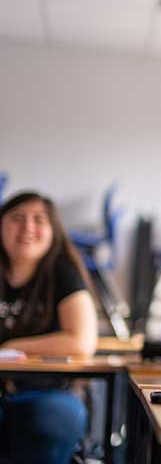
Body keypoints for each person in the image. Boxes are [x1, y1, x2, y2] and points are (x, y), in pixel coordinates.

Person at [0, 191, 98, 463]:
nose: (27, 227)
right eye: (16, 218)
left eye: (38, 219)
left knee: (53, 418)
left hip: (49, 391)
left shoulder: (63, 272)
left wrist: (12, 347)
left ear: (53, 229)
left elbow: (81, 341)